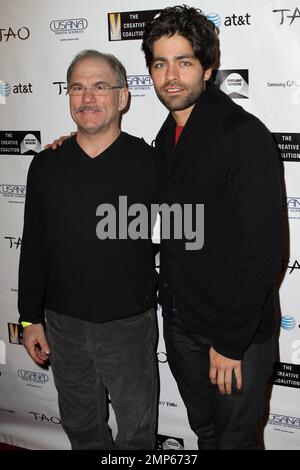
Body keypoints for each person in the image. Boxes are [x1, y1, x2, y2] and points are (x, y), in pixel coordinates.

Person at [141, 6, 282, 450]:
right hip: (183, 323)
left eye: (184, 61)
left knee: (235, 442)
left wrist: (232, 342)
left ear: (208, 68)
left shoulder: (243, 135)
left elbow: (263, 249)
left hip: (233, 331)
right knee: (206, 434)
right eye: (160, 63)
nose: (171, 76)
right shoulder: (166, 138)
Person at [18, 49, 159, 450]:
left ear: (123, 97)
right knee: (81, 429)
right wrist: (29, 319)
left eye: (100, 86)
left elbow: (188, 234)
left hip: (129, 324)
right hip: (63, 325)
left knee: (138, 432)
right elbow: (34, 246)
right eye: (77, 88)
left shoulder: (152, 163)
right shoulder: (46, 165)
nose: (87, 98)